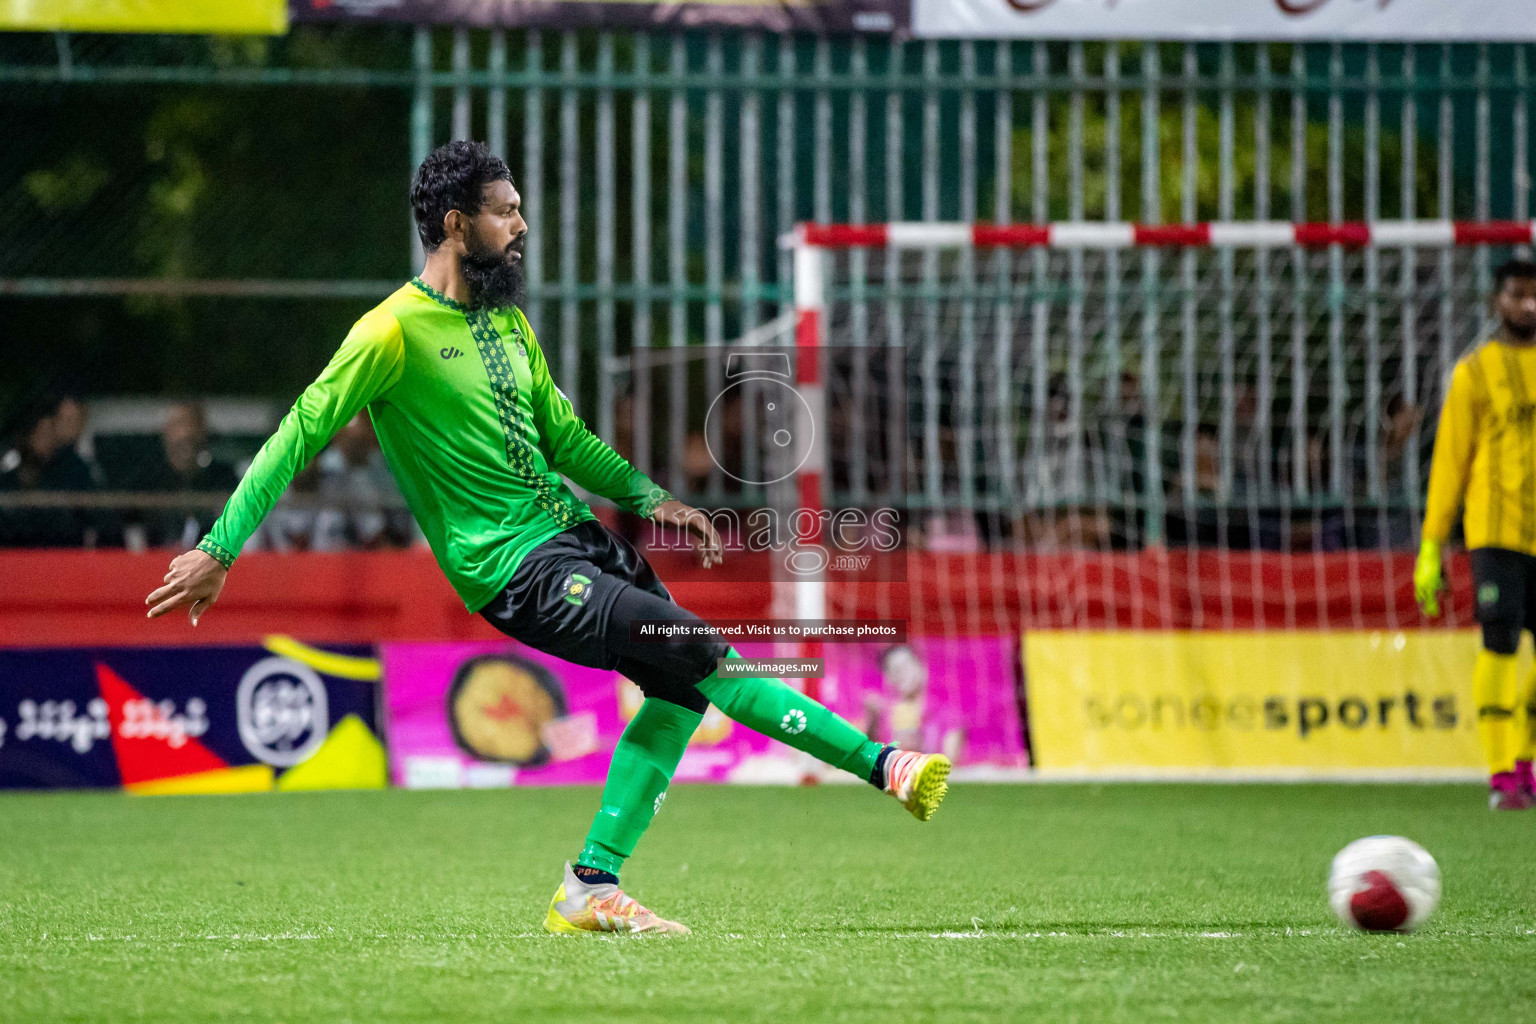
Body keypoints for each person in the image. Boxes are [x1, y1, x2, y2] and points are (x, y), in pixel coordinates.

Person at [144, 141, 949, 934]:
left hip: (578, 539)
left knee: (677, 689)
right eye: (506, 211)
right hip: (512, 570)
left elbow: (565, 440)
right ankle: (883, 765)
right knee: (699, 653)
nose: (522, 224)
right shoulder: (390, 333)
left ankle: (591, 887)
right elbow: (300, 431)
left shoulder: (508, 324)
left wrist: (649, 497)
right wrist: (220, 546)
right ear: (458, 224)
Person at [1416, 258, 1536, 810]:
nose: (1528, 305)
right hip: (1496, 533)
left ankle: (1526, 763)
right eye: (1517, 295)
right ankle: (1501, 774)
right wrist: (1431, 544)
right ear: (1498, 301)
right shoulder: (1474, 372)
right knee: (1499, 643)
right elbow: (1450, 462)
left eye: (1535, 295)